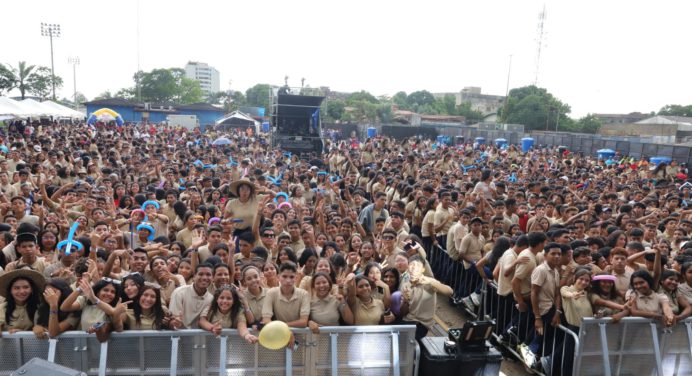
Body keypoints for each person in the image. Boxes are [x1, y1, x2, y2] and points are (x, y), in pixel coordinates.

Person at [400, 256, 453, 340]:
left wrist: (432, 283)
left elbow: (449, 292)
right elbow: (403, 312)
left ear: (423, 270)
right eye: (412, 265)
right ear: (408, 267)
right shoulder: (405, 284)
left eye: (418, 266)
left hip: (421, 323)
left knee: (409, 343)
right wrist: (405, 300)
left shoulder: (429, 282)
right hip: (407, 320)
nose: (414, 268)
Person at [261, 261, 310, 328]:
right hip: (278, 335)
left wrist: (280, 326)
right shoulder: (271, 293)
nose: (288, 280)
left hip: (300, 336)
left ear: (296, 278)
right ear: (278, 277)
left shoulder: (304, 294)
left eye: (291, 277)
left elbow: (303, 322)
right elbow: (266, 320)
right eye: (284, 276)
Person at [168, 263, 214, 329]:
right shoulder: (179, 292)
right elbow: (173, 321)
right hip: (179, 335)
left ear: (212, 278)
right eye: (200, 274)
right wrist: (174, 323)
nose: (204, 278)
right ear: (194, 276)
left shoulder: (211, 298)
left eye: (208, 275)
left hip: (198, 337)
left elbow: (203, 320)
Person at [0, 268, 46, 334]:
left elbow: (43, 328)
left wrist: (24, 332)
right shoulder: (2, 307)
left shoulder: (39, 307)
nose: (22, 291)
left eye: (26, 287)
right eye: (16, 288)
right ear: (10, 291)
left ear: (32, 289)